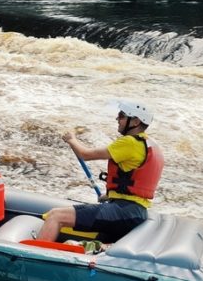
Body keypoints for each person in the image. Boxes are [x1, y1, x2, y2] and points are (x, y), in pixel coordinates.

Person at [37, 101, 164, 244]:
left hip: (124, 212)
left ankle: (31, 259)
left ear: (135, 121)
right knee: (95, 246)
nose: (117, 119)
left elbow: (85, 154)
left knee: (55, 216)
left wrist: (72, 140)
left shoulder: (130, 142)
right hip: (134, 212)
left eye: (121, 116)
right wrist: (110, 196)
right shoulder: (150, 144)